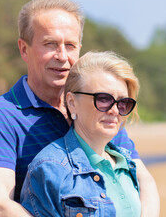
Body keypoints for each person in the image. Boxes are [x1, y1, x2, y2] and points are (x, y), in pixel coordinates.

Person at [0, 0, 159, 217]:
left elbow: (141, 177)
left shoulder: (98, 107)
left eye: (70, 46)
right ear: (24, 49)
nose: (62, 56)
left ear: (79, 48)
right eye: (50, 44)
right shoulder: (1, 114)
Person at [21, 51, 141, 217]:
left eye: (123, 103)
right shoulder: (50, 169)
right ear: (72, 103)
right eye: (103, 99)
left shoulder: (126, 163)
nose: (115, 111)